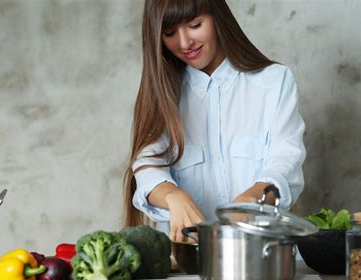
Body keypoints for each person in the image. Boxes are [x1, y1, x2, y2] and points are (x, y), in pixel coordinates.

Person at [123, 0, 306, 243]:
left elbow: (286, 158)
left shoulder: (274, 82)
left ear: (217, 16)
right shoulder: (163, 94)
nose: (185, 42)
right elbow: (147, 167)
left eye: (195, 25)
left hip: (262, 257)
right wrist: (172, 195)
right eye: (169, 33)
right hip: (187, 265)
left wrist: (255, 196)